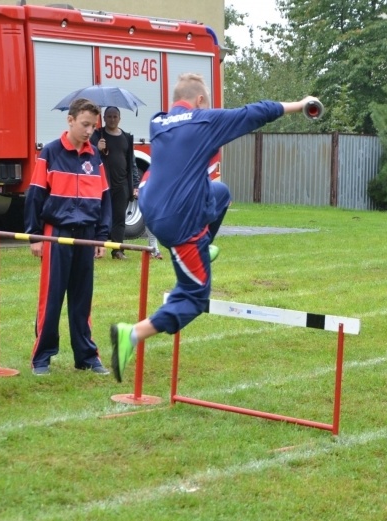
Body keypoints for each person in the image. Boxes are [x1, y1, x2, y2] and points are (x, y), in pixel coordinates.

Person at [109, 73, 321, 382]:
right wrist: (300, 104)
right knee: (194, 296)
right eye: (206, 103)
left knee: (221, 193)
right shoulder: (205, 121)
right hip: (177, 221)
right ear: (199, 102)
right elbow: (256, 112)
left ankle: (205, 243)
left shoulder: (159, 121)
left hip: (152, 204)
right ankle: (133, 333)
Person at [25, 98, 112, 376]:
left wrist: (101, 236)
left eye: (93, 126)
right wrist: (35, 236)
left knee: (82, 299)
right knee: (51, 298)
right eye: (85, 124)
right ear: (70, 120)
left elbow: (105, 198)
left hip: (87, 236)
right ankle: (42, 357)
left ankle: (86, 356)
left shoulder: (94, 157)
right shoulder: (50, 152)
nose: (89, 131)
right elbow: (35, 195)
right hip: (55, 234)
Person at [90, 106, 139, 260]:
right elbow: (87, 157)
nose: (112, 119)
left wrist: (135, 185)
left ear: (119, 118)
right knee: (99, 218)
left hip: (122, 185)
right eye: (109, 116)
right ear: (103, 118)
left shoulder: (126, 137)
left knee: (119, 218)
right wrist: (96, 148)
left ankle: (118, 251)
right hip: (102, 184)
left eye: (115, 116)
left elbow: (132, 163)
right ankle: (96, 249)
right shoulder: (97, 136)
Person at [138, 170, 163, 260]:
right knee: (152, 223)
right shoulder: (151, 173)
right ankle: (155, 251)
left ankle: (151, 251)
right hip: (148, 200)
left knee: (155, 225)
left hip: (155, 200)